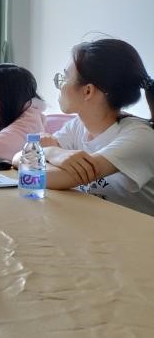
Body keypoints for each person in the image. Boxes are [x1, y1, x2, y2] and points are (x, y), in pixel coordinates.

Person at [19, 39, 154, 215]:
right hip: (95, 222)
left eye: (65, 78)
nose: (59, 85)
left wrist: (45, 153)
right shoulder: (78, 125)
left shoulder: (139, 137)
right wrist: (54, 152)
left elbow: (41, 177)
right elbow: (19, 157)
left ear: (87, 91)